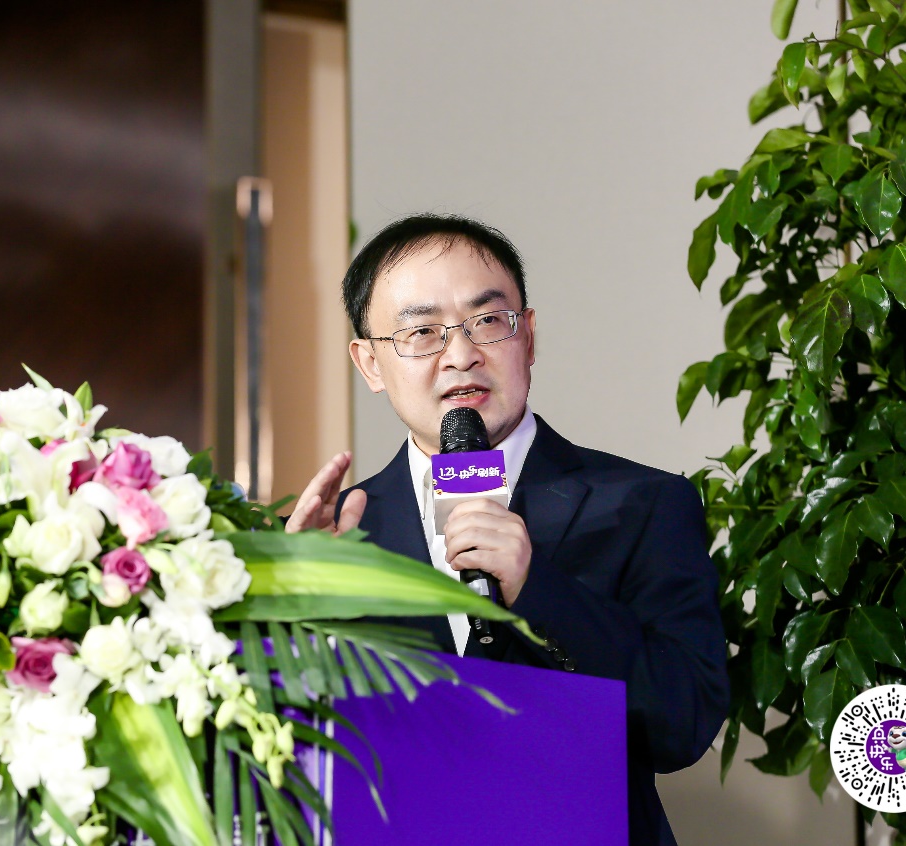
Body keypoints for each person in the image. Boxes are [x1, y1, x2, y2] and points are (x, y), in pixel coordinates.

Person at [286, 213, 728, 846]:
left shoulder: (645, 503)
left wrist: (536, 590)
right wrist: (290, 608)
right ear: (370, 363)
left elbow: (682, 725)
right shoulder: (336, 537)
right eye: (422, 332)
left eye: (489, 321)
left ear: (529, 337)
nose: (461, 354)